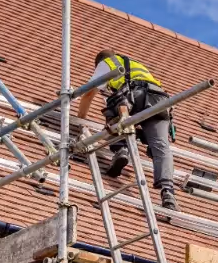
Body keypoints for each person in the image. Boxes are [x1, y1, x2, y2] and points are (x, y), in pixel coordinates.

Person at [76, 49, 178, 211]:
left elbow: (88, 93)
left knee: (115, 111)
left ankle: (121, 149)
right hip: (160, 100)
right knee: (161, 146)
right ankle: (168, 191)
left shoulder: (106, 63)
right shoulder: (137, 66)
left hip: (133, 95)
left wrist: (79, 121)